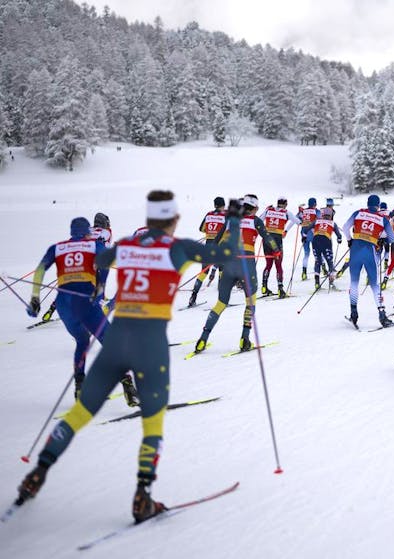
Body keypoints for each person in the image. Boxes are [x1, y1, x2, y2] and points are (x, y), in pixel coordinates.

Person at [15, 191, 243, 523]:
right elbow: (223, 253)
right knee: (153, 420)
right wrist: (233, 220)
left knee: (80, 412)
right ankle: (142, 497)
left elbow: (99, 260)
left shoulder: (125, 245)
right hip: (149, 343)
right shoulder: (178, 248)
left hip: (117, 338)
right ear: (173, 219)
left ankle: (37, 473)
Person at [26, 217, 138, 404]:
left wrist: (35, 298)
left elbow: (39, 270)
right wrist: (100, 288)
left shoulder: (57, 247)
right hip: (86, 301)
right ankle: (129, 387)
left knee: (82, 341)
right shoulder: (94, 245)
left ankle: (80, 387)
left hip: (63, 305)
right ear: (87, 232)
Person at [194, 195, 277, 353]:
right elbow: (267, 238)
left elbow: (217, 240)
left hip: (229, 265)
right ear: (254, 208)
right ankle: (244, 339)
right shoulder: (256, 220)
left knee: (220, 304)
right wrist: (277, 251)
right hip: (247, 265)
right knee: (250, 302)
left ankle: (202, 340)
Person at [342, 195, 394, 327]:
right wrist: (380, 237)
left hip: (355, 250)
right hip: (370, 250)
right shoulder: (383, 219)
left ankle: (354, 313)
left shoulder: (358, 213)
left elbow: (344, 227)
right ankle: (382, 315)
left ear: (367, 204)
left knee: (354, 282)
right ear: (378, 205)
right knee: (374, 284)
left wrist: (350, 240)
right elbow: (392, 238)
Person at [188, 197, 227, 307]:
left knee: (203, 272)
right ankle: (222, 300)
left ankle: (193, 296)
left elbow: (201, 228)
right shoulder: (225, 216)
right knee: (222, 270)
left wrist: (210, 232)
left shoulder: (209, 214)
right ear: (223, 205)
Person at [260, 197, 302, 298]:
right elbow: (299, 222)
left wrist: (265, 211)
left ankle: (264, 286)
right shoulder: (286, 212)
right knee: (278, 265)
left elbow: (259, 220)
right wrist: (301, 214)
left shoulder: (268, 210)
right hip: (277, 240)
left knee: (268, 264)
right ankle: (280, 289)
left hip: (266, 239)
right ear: (284, 204)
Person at [311, 206, 343, 290]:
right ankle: (331, 283)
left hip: (315, 241)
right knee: (329, 261)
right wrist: (339, 239)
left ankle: (317, 283)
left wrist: (304, 236)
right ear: (331, 215)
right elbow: (339, 235)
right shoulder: (333, 223)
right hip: (326, 242)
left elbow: (306, 229)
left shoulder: (317, 221)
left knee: (318, 261)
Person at [297, 197, 319, 281]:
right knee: (317, 253)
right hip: (313, 234)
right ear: (314, 204)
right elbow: (320, 220)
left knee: (306, 254)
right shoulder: (316, 211)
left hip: (304, 234)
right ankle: (322, 269)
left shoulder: (303, 211)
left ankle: (304, 273)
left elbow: (297, 219)